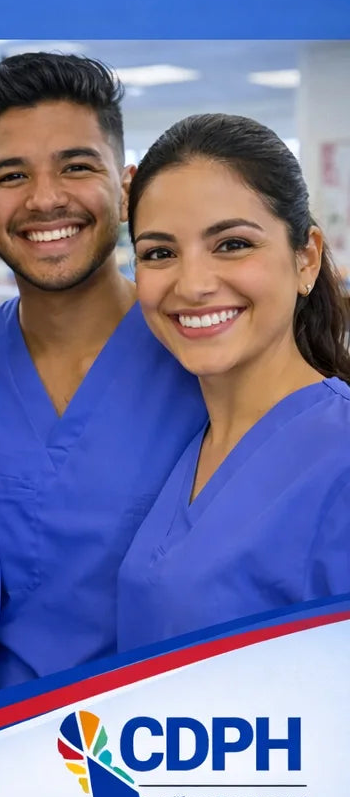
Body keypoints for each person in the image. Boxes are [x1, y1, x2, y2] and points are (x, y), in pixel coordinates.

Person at [0, 53, 206, 687]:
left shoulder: (204, 364)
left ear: (125, 189)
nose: (46, 200)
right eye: (12, 175)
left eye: (77, 166)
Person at [117, 114, 350, 649]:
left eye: (232, 244)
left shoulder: (337, 461)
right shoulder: (197, 443)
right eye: (159, 253)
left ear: (306, 258)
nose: (193, 284)